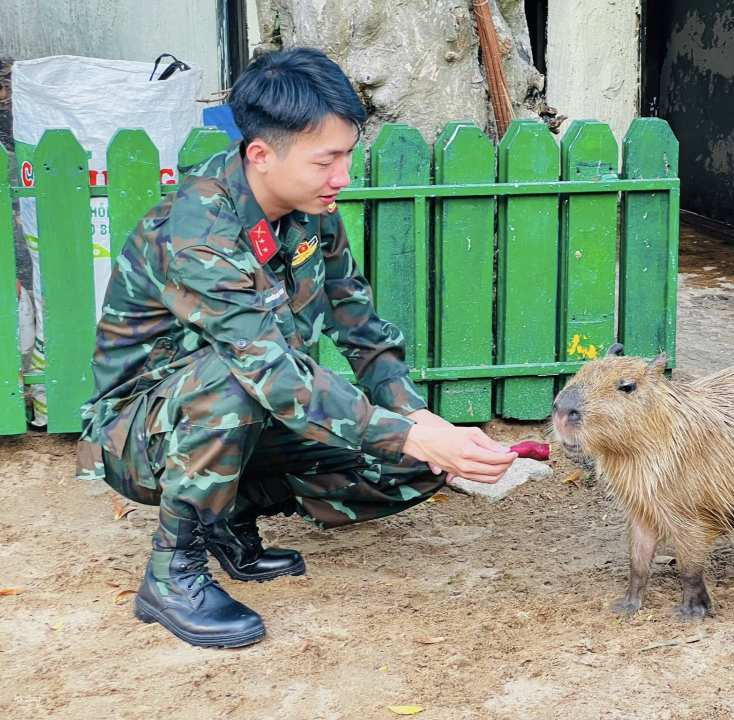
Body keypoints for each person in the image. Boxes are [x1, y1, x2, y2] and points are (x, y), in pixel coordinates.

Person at [76, 47, 517, 648]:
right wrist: (410, 431)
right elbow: (269, 372)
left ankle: (226, 517)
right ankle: (172, 575)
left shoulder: (312, 211)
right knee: (236, 380)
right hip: (139, 432)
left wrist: (415, 417)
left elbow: (360, 327)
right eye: (326, 161)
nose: (343, 177)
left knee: (415, 459)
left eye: (347, 155)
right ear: (261, 154)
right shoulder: (197, 230)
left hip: (250, 408)